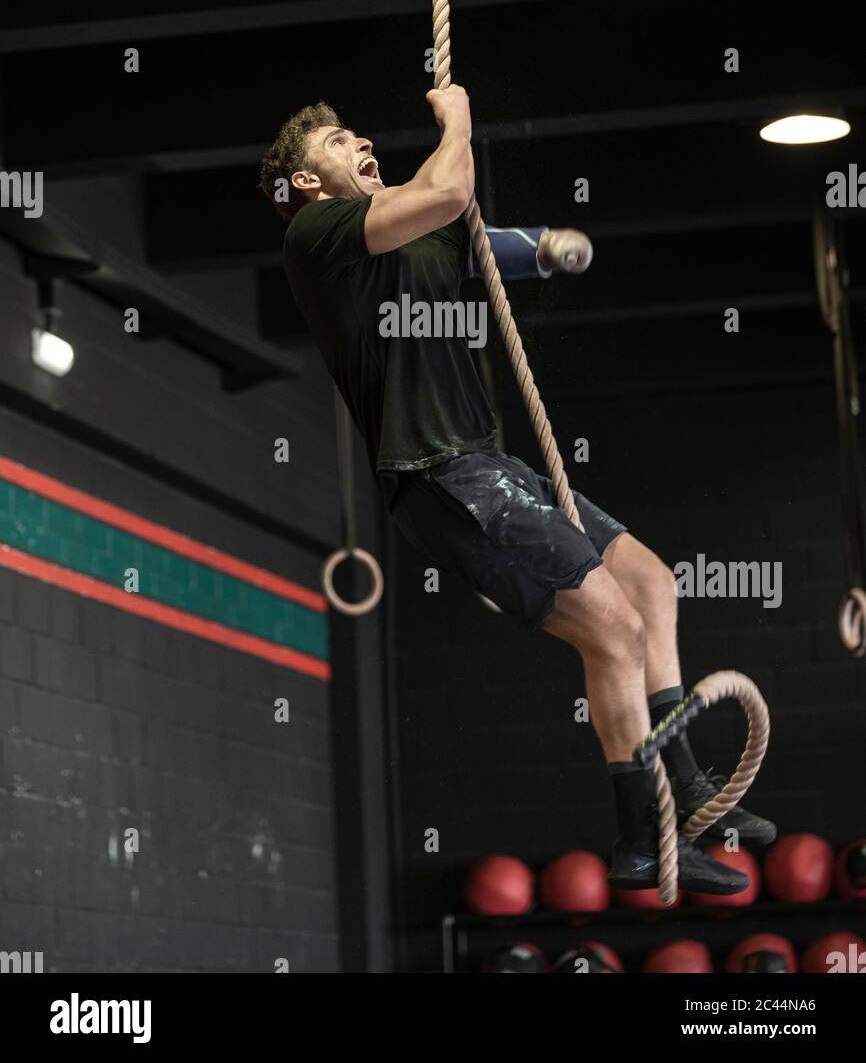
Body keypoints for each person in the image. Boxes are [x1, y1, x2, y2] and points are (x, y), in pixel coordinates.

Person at [259, 84, 776, 892]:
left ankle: (693, 787)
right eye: (337, 144)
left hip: (490, 463)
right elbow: (452, 190)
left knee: (651, 583)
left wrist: (548, 246)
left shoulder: (417, 234)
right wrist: (458, 117)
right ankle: (641, 838)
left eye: (359, 137)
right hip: (437, 475)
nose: (360, 146)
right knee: (614, 630)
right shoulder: (319, 236)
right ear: (308, 185)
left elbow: (478, 239)